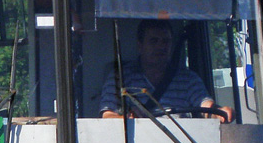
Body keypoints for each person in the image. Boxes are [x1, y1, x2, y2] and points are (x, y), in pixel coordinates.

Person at [98, 19, 229, 120]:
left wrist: (220, 113)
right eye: (154, 41)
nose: (161, 46)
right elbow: (107, 116)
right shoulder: (120, 77)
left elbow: (205, 106)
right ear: (140, 46)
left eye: (166, 41)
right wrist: (127, 120)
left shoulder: (188, 79)